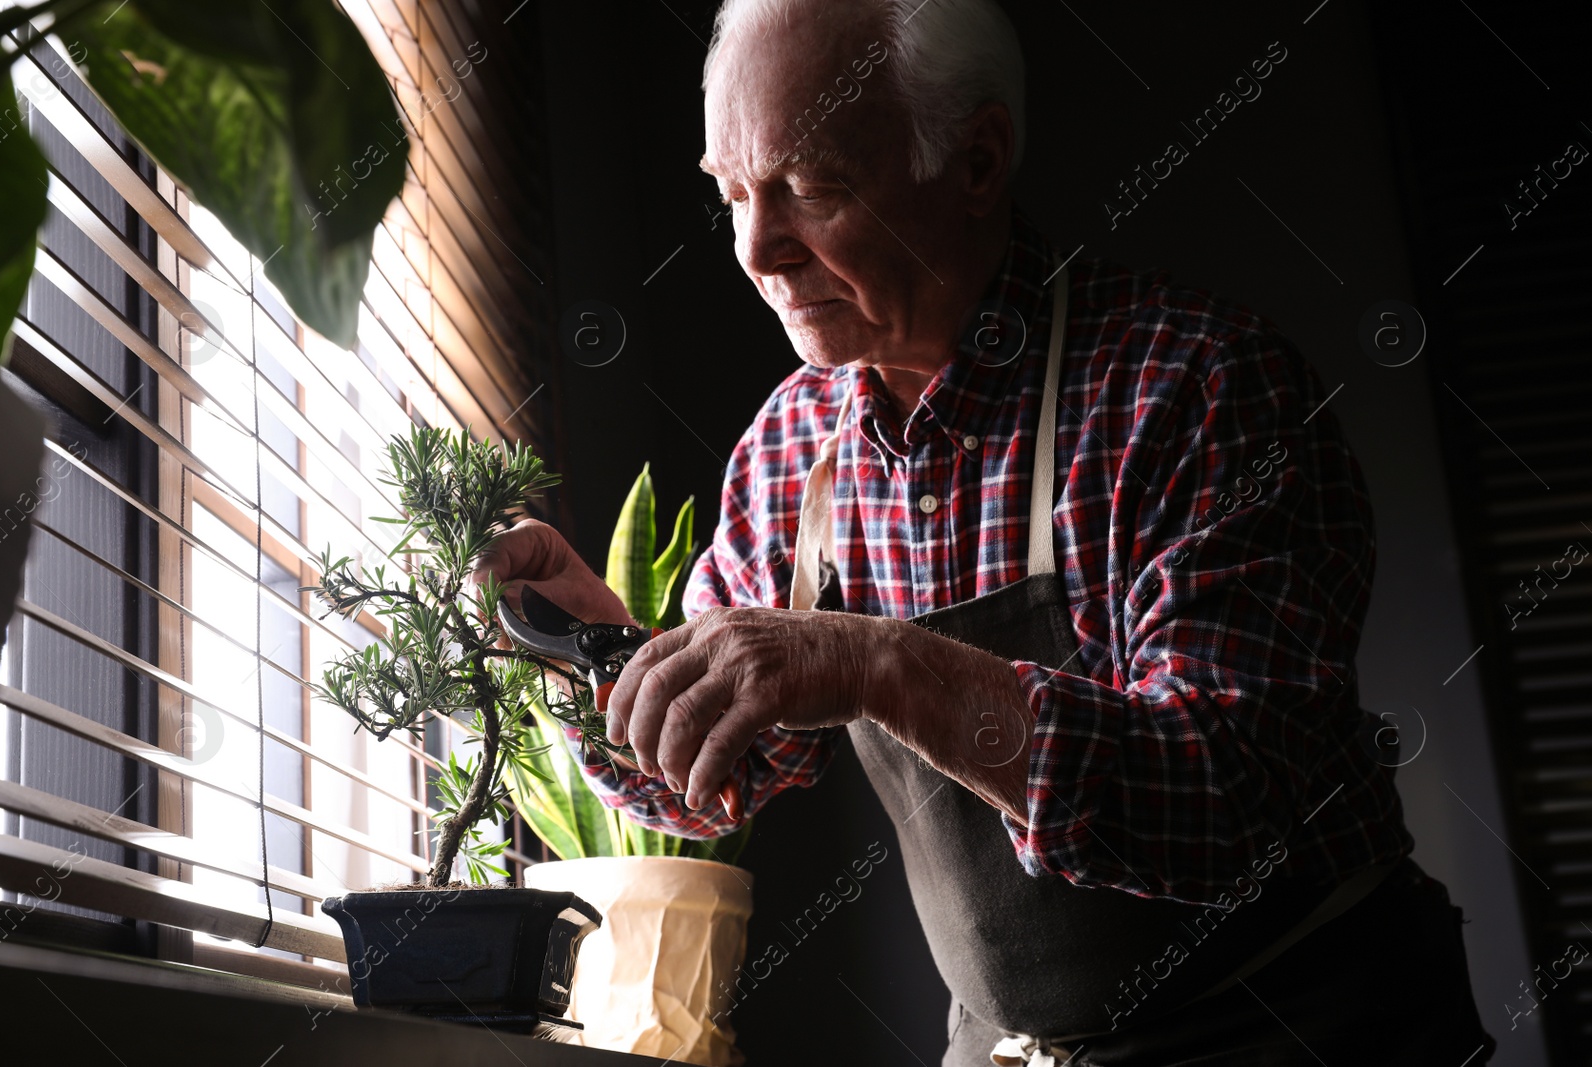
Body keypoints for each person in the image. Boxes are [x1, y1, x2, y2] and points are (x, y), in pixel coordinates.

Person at [475, 0, 1497, 1062]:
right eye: (730, 193)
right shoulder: (792, 446)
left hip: (1299, 1025)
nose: (758, 248)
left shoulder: (1195, 387)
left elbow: (1228, 794)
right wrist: (599, 651)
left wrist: (876, 664)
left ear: (974, 161)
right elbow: (712, 779)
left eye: (811, 186)